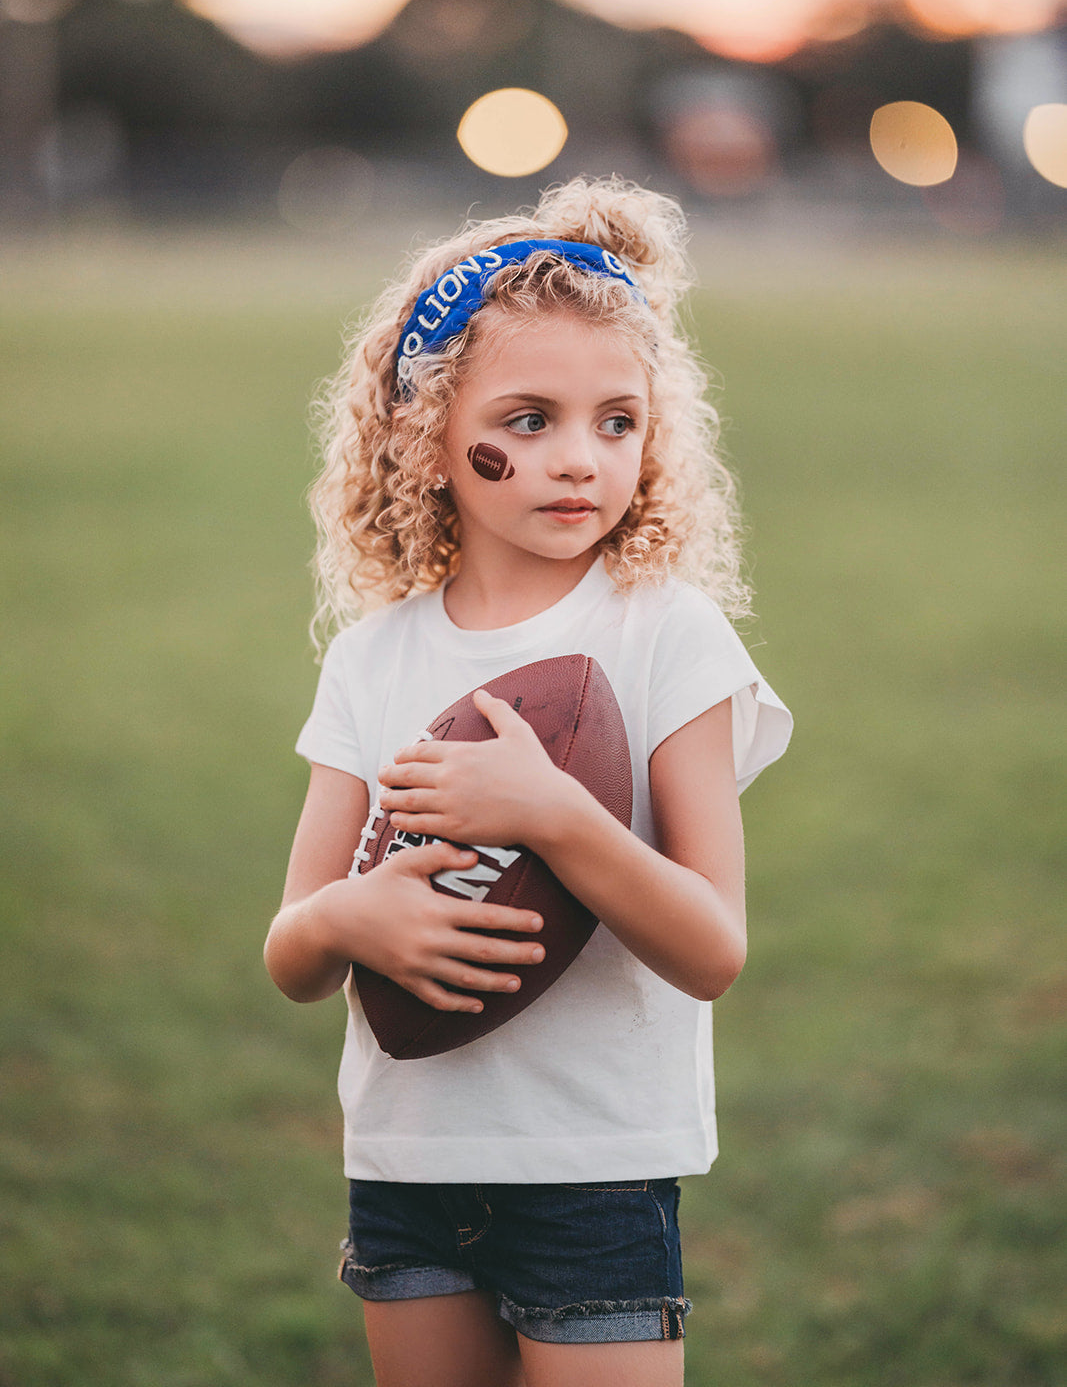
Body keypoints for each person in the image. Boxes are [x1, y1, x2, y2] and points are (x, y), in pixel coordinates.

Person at [264, 177, 792, 1387]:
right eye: (531, 417)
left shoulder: (668, 635)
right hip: (406, 1168)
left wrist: (551, 815)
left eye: (617, 421)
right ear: (427, 433)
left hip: (593, 1168)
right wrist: (348, 916)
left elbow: (711, 948)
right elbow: (291, 954)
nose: (579, 459)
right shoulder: (372, 657)